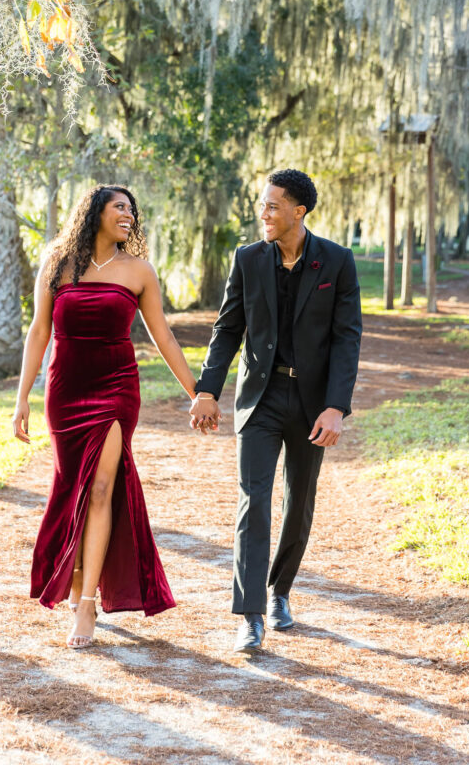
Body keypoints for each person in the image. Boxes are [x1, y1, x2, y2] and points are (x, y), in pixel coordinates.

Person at [12, 185, 203, 649]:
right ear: (94, 211)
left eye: (132, 209)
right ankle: (78, 581)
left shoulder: (138, 271)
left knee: (101, 488)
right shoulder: (57, 263)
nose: (128, 214)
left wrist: (198, 393)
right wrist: (21, 399)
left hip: (117, 386)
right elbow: (39, 332)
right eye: (119, 206)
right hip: (66, 389)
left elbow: (164, 338)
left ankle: (87, 605)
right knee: (71, 490)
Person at [189, 169, 362, 652]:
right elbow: (228, 330)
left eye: (272, 205)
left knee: (298, 503)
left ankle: (280, 589)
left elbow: (348, 338)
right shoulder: (247, 259)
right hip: (260, 399)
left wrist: (336, 408)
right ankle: (250, 614)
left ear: (298, 211)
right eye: (261, 204)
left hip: (312, 404)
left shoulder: (337, 262)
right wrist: (208, 390)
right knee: (253, 500)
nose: (263, 213)